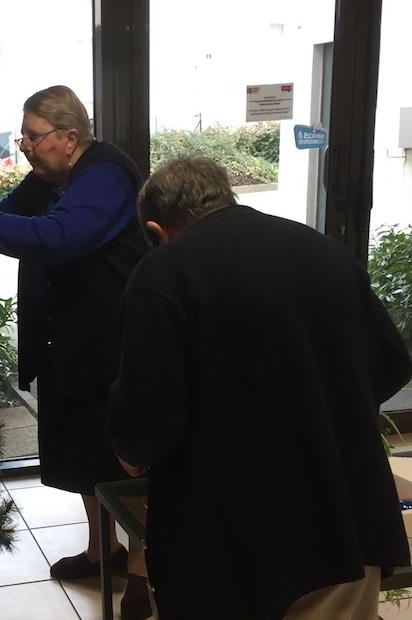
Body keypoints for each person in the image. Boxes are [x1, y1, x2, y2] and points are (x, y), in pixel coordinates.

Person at [109, 155, 412, 619]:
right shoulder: (324, 251)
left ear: (156, 229)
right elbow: (392, 364)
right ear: (226, 196)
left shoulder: (164, 273)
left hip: (228, 533)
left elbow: (150, 418)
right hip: (343, 515)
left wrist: (130, 452)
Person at [0, 85, 153, 617]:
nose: (23, 144)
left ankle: (142, 569)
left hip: (113, 344)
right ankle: (103, 549)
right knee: (85, 457)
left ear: (70, 138)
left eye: (32, 135)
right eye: (23, 135)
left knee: (125, 460)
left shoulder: (106, 174)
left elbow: (62, 236)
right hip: (66, 341)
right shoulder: (47, 178)